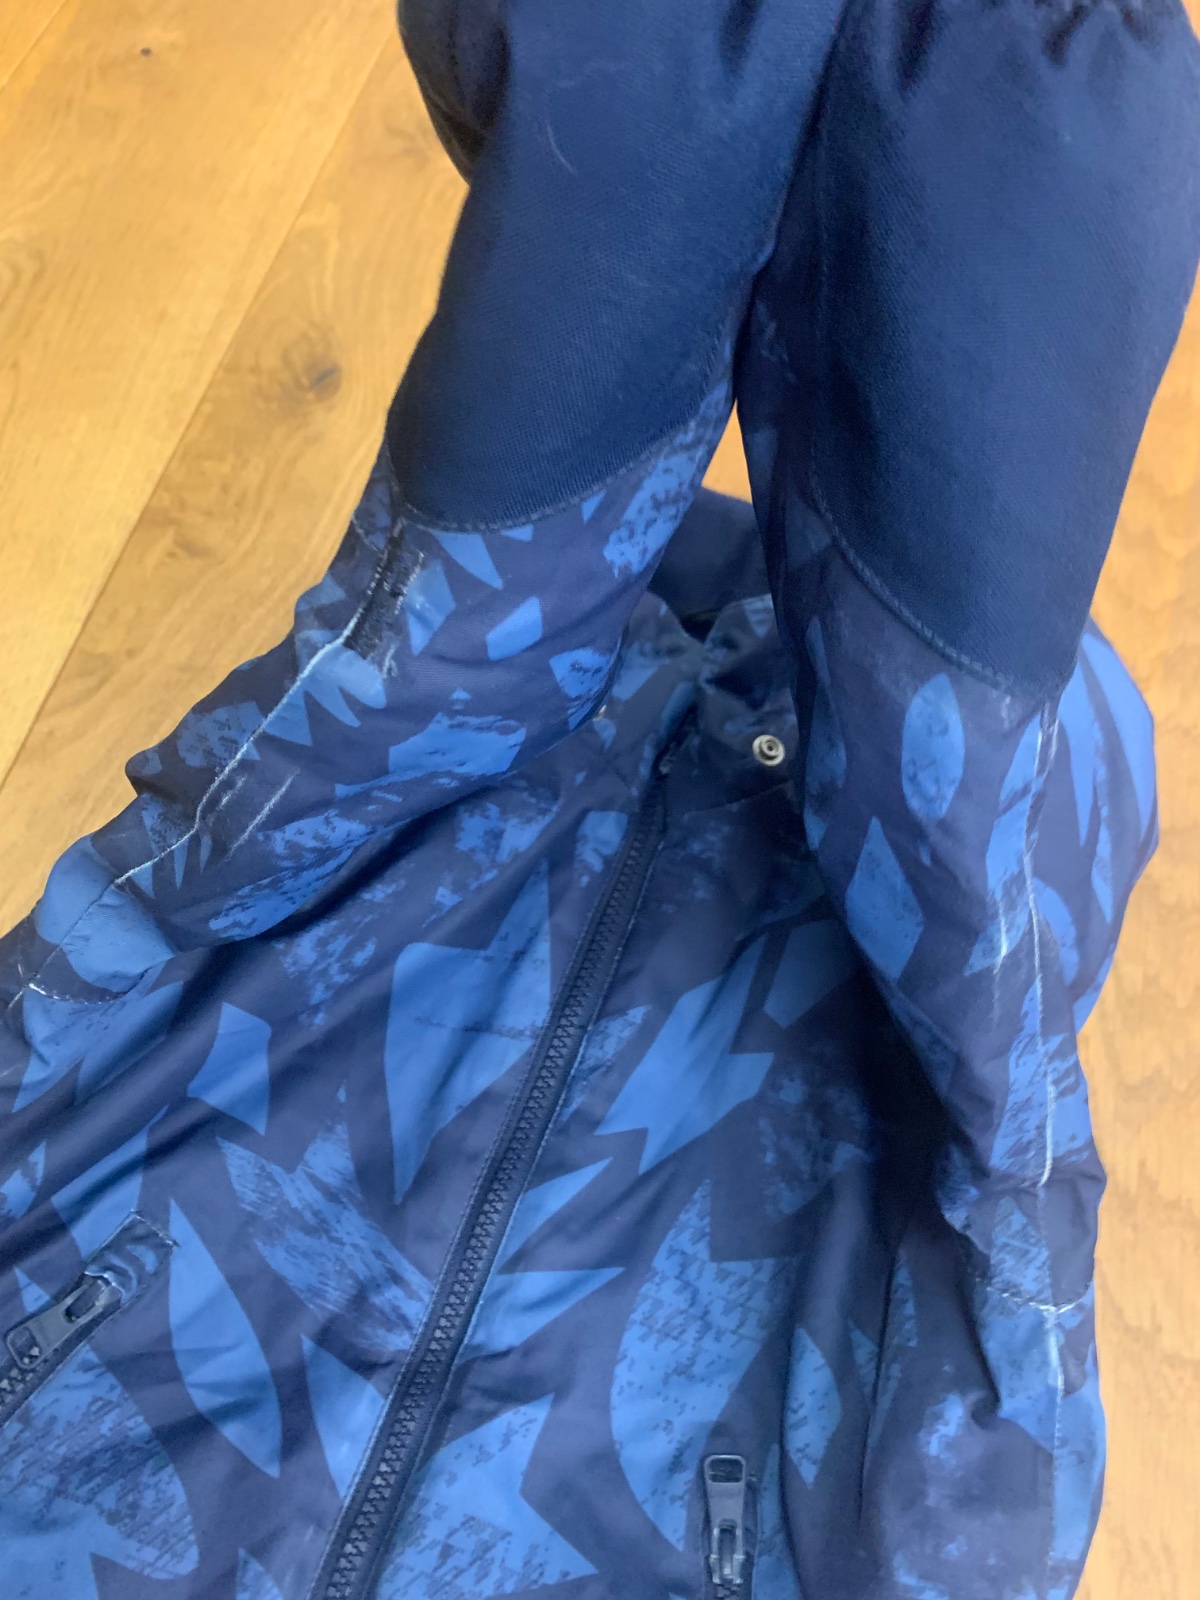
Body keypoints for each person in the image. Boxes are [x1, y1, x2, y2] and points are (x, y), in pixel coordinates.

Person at [2, 1, 1198, 1595]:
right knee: (999, 853)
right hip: (816, 1136)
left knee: (358, 745)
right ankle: (871, 180)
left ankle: (653, 196)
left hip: (256, 1072)